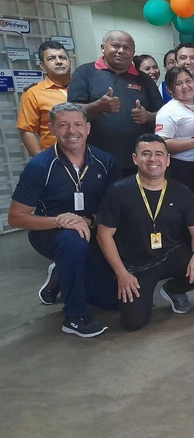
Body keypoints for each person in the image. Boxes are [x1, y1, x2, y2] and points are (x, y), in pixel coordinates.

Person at [8, 103, 120, 337]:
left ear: (88, 128)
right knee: (72, 241)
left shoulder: (106, 161)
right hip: (51, 232)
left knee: (112, 301)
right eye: (63, 125)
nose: (72, 131)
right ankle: (75, 317)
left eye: (78, 124)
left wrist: (88, 220)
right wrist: (60, 221)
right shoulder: (40, 166)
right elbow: (16, 218)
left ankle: (61, 273)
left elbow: (117, 209)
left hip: (93, 229)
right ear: (52, 129)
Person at [97, 134, 194, 331]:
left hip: (171, 254)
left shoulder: (181, 191)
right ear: (135, 158)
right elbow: (104, 235)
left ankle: (173, 290)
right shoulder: (118, 191)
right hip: (136, 264)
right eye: (146, 154)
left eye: (159, 154)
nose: (153, 159)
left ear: (168, 160)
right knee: (133, 322)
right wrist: (122, 274)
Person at [68, 30, 164, 177]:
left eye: (127, 47)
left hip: (138, 162)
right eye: (115, 46)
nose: (121, 51)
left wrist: (148, 116)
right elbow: (71, 113)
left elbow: (164, 114)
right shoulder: (85, 73)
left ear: (133, 52)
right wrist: (98, 106)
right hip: (95, 161)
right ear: (103, 48)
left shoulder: (144, 79)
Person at [155, 67, 194, 194]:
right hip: (182, 166)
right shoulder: (167, 111)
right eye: (178, 84)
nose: (185, 86)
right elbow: (162, 144)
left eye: (188, 81)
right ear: (169, 89)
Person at [17, 41, 71, 156]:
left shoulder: (83, 85)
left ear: (69, 61)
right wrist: (41, 161)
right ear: (42, 66)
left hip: (90, 155)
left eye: (62, 57)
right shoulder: (33, 93)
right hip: (55, 158)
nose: (59, 62)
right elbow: (27, 130)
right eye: (51, 58)